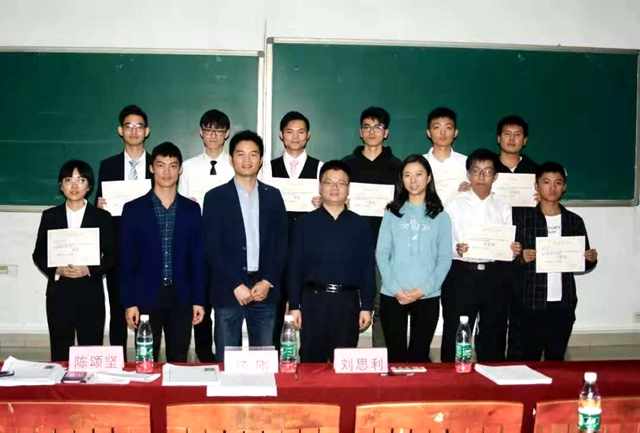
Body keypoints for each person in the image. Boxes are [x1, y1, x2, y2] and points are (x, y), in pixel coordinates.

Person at [203, 130, 287, 362]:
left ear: (261, 160)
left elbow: (281, 243)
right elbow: (212, 247)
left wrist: (268, 280)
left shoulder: (273, 196)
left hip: (264, 289)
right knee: (226, 360)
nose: (247, 160)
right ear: (231, 159)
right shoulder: (215, 197)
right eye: (240, 154)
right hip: (228, 288)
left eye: (253, 154)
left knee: (264, 361)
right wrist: (235, 284)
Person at [120, 142, 205, 362]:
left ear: (180, 169)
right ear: (151, 168)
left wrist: (199, 300)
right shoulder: (133, 210)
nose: (166, 172)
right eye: (160, 165)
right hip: (145, 296)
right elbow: (126, 261)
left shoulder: (191, 209)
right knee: (146, 360)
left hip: (181, 297)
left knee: (179, 360)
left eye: (173, 165)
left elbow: (197, 259)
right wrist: (129, 302)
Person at [288, 160, 375, 362]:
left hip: (347, 303)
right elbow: (294, 267)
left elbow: (367, 268)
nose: (335, 188)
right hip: (313, 302)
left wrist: (367, 306)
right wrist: (294, 305)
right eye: (329, 182)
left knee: (344, 362)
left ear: (348, 188)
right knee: (311, 361)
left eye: (341, 183)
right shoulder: (304, 224)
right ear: (320, 187)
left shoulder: (361, 225)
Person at [440, 148, 522, 363]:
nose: (481, 177)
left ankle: (491, 375)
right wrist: (456, 248)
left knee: (494, 331)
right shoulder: (453, 203)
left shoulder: (503, 206)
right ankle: (452, 376)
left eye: (487, 172)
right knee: (456, 331)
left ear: (495, 176)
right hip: (461, 275)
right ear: (468, 174)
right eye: (476, 171)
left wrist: (513, 250)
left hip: (495, 276)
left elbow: (507, 242)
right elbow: (443, 239)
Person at [33, 160, 116, 361]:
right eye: (68, 180)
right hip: (59, 295)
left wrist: (89, 270)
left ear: (89, 186)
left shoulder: (102, 217)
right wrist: (57, 270)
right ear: (61, 185)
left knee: (90, 354)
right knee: (60, 354)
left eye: (81, 180)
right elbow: (39, 254)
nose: (74, 186)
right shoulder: (50, 216)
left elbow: (112, 255)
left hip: (90, 294)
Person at [514, 161, 598, 361]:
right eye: (546, 182)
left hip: (563, 303)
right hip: (531, 301)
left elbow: (582, 262)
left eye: (558, 183)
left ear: (564, 187)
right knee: (529, 358)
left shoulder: (574, 221)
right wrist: (521, 258)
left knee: (557, 359)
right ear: (536, 186)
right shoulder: (523, 220)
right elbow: (509, 259)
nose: (552, 188)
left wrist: (590, 259)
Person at [376, 155, 452, 362]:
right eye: (407, 175)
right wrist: (395, 288)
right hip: (393, 294)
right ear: (401, 179)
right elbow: (381, 252)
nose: (413, 180)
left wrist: (423, 290)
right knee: (396, 357)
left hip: (427, 295)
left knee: (420, 356)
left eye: (419, 174)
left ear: (428, 178)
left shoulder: (441, 216)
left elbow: (444, 259)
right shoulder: (392, 213)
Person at [95, 104, 153, 360]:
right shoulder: (108, 166)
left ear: (147, 131)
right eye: (128, 126)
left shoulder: (158, 165)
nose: (134, 131)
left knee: (149, 307)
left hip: (150, 248)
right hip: (119, 247)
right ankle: (118, 360)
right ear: (120, 131)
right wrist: (99, 206)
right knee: (119, 305)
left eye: (139, 126)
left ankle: (147, 358)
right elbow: (99, 206)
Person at [342, 106, 401, 348]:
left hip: (385, 248)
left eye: (378, 127)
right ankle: (342, 356)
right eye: (367, 127)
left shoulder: (398, 167)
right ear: (360, 132)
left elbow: (405, 207)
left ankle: (381, 359)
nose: (372, 132)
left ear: (386, 133)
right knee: (347, 303)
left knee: (381, 305)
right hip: (350, 246)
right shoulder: (346, 165)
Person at [178, 109, 234, 363]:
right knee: (199, 298)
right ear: (201, 132)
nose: (213, 135)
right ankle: (203, 352)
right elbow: (179, 204)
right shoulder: (187, 167)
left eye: (219, 131)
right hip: (197, 244)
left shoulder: (235, 165)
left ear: (227, 134)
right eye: (209, 130)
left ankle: (224, 352)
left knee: (223, 301)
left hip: (226, 244)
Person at [269, 111, 324, 348]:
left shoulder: (320, 168)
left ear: (308, 135)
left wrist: (324, 203)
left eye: (301, 132)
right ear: (281, 135)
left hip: (310, 246)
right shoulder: (268, 168)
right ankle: (274, 354)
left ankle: (310, 356)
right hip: (277, 245)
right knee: (276, 304)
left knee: (309, 303)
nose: (295, 136)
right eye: (290, 131)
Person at [493, 114, 539, 361]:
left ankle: (518, 365)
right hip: (494, 251)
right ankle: (492, 364)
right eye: (507, 134)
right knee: (494, 316)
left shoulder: (535, 172)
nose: (512, 139)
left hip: (526, 251)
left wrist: (542, 196)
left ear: (525, 140)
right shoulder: (486, 169)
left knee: (522, 315)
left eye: (517, 134)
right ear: (498, 138)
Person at [422, 107, 468, 202]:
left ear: (455, 133)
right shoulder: (419, 164)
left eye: (448, 127)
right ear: (429, 133)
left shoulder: (467, 163)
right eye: (437, 127)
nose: (443, 132)